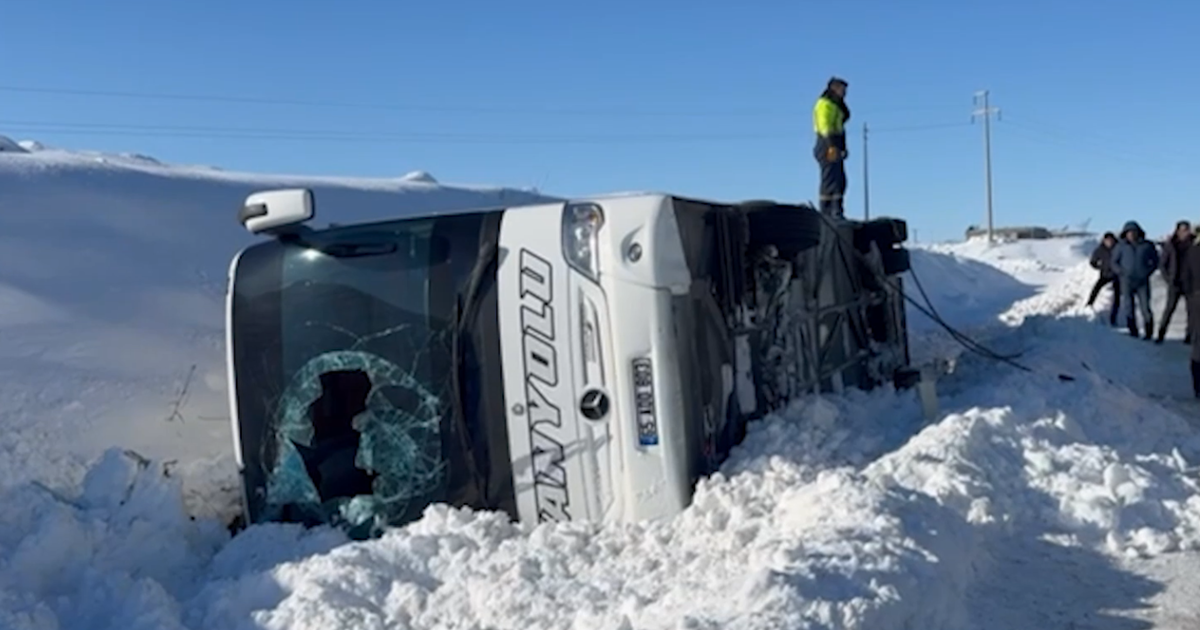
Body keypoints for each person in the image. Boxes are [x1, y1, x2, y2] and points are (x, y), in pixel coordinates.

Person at [1110, 220, 1160, 340]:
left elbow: (1155, 261)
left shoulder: (1147, 245)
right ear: (1125, 234)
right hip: (1126, 281)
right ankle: (1133, 331)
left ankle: (1149, 332)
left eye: (1134, 232)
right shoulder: (1121, 247)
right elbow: (1113, 262)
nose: (1131, 235)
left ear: (1139, 232)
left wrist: (1148, 272)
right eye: (1129, 232)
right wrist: (1121, 272)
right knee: (1129, 306)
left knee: (1145, 307)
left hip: (1142, 281)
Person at [813, 77, 850, 217]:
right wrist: (830, 146)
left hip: (837, 144)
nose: (844, 93)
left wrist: (843, 147)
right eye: (842, 89)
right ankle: (827, 211)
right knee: (830, 179)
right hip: (826, 144)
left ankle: (837, 209)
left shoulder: (837, 106)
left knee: (840, 179)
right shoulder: (824, 104)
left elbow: (840, 127)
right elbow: (825, 126)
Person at [1156, 220, 1193, 344]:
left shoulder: (1194, 244)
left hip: (1190, 283)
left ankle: (1189, 336)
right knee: (1169, 309)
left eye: (1187, 230)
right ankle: (1161, 334)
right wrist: (1168, 279)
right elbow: (1162, 264)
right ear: (1177, 231)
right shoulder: (1171, 244)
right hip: (1175, 282)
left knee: (1191, 312)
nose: (1185, 233)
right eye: (1182, 230)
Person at [1086, 231, 1121, 326]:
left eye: (1111, 240)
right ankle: (1088, 305)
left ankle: (1114, 317)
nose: (1109, 242)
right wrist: (1100, 267)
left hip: (1117, 275)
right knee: (1096, 288)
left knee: (1117, 296)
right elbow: (1092, 262)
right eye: (1107, 240)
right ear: (1104, 241)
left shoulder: (1119, 248)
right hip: (1105, 274)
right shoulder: (1100, 250)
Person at [1181, 231, 1200, 397]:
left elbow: (1185, 276)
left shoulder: (1191, 251)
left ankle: (1198, 387)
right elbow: (1185, 276)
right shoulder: (1193, 252)